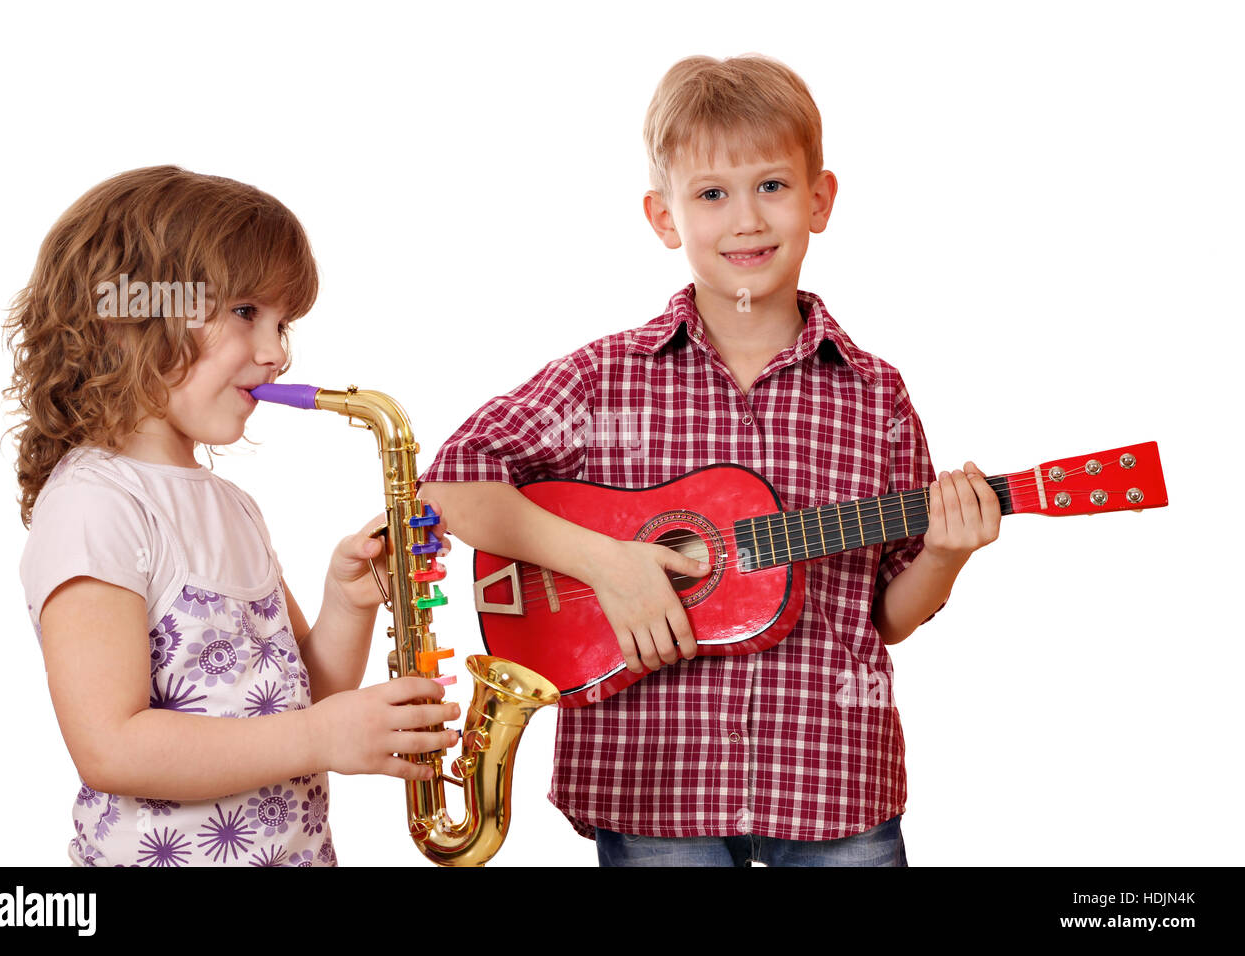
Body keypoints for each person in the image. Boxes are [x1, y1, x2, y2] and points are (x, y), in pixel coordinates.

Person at [420, 55, 1002, 867]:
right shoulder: (603, 377)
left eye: (772, 186)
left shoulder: (876, 394)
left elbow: (886, 618)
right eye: (711, 194)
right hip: (656, 782)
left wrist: (944, 552)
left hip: (831, 776)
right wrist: (609, 564)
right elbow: (451, 483)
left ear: (820, 199)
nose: (746, 220)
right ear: (664, 217)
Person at [6, 165, 459, 867]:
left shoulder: (232, 508)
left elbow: (304, 698)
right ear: (132, 316)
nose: (277, 353)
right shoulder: (95, 505)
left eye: (284, 324)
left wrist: (347, 601)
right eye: (247, 312)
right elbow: (110, 746)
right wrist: (319, 739)